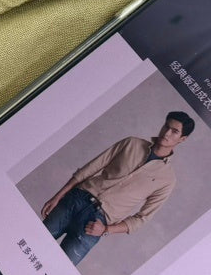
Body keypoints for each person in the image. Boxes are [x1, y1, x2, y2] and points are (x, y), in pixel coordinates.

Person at [40, 112, 194, 265]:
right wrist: (58, 196)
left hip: (95, 223)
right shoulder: (131, 143)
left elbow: (142, 218)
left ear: (183, 139)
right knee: (36, 244)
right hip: (76, 200)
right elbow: (90, 168)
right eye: (166, 126)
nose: (166, 133)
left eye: (174, 131)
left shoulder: (167, 179)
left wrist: (105, 229)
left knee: (58, 270)